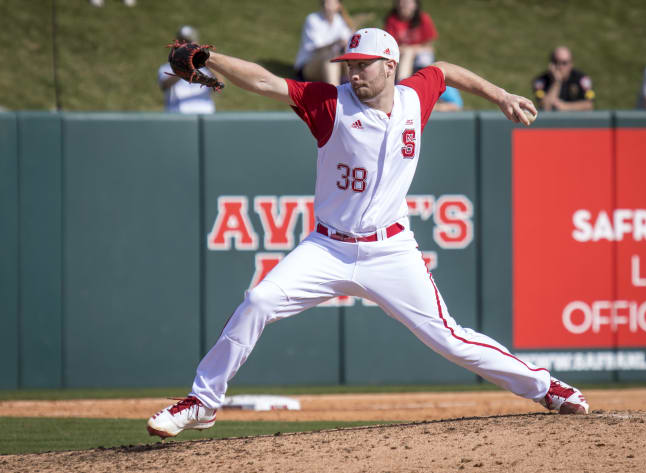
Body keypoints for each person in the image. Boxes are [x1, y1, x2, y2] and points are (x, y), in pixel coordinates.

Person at [147, 27, 589, 439]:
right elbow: (265, 82)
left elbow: (446, 71)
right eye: (350, 64)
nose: (354, 72)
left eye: (363, 64)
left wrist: (499, 94)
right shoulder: (330, 103)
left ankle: (547, 388)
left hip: (390, 250)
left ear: (390, 65)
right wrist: (211, 59)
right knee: (258, 300)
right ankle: (203, 401)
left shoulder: (415, 97)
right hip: (326, 248)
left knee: (450, 338)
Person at [293, 0, 354, 85]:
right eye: (325, 2)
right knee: (330, 58)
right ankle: (334, 94)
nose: (326, 5)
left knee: (350, 57)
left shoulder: (340, 21)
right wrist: (337, 42)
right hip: (309, 65)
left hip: (334, 64)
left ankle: (354, 92)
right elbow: (317, 48)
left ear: (338, 5)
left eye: (330, 3)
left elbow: (347, 42)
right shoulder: (312, 19)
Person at [157, 26, 216, 114]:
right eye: (184, 41)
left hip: (204, 112)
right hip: (177, 113)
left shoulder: (206, 67)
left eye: (190, 42)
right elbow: (164, 85)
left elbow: (221, 84)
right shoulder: (167, 67)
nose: (188, 45)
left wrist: (205, 61)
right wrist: (182, 68)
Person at [385, 0, 438, 82]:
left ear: (415, 5)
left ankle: (424, 81)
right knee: (406, 54)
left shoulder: (423, 18)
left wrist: (411, 49)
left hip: (420, 53)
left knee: (423, 58)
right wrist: (406, 50)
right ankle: (403, 84)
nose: (403, 5)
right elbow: (390, 47)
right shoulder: (392, 20)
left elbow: (429, 46)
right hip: (400, 54)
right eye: (401, 2)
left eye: (407, 2)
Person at [532, 46, 595, 111]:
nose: (559, 66)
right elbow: (545, 107)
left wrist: (564, 106)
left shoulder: (581, 79)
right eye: (556, 62)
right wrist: (556, 82)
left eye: (564, 63)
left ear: (571, 64)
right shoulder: (541, 81)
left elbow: (589, 105)